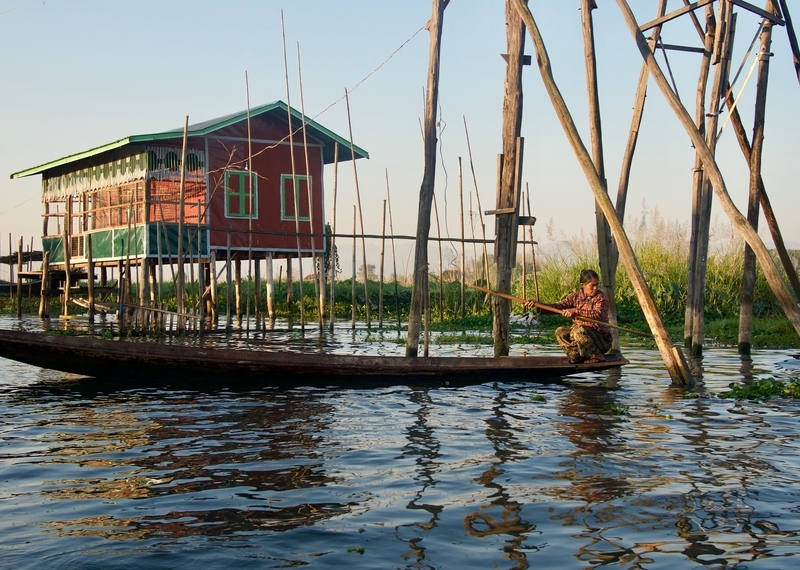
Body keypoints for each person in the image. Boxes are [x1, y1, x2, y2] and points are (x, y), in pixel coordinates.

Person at [527, 269, 611, 364]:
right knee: (560, 332)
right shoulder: (575, 297)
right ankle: (576, 355)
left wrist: (576, 311)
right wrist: (538, 305)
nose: (595, 288)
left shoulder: (601, 297)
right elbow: (557, 306)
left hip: (601, 340)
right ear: (583, 285)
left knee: (579, 330)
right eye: (592, 285)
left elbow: (597, 314)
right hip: (581, 337)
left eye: (597, 285)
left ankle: (597, 355)